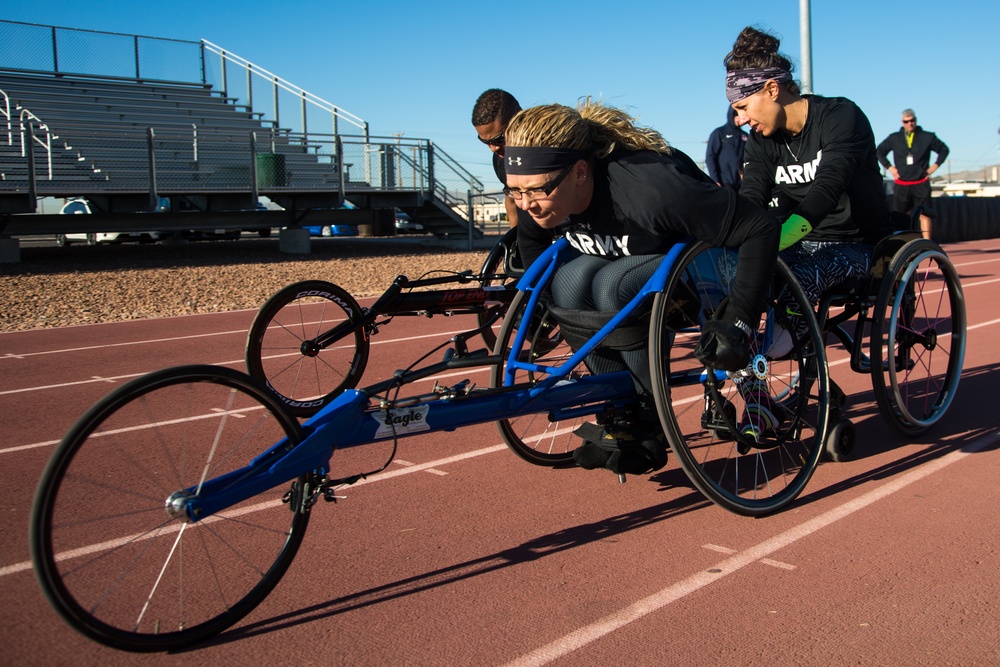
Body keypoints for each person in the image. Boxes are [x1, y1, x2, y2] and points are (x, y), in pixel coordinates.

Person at [503, 99, 779, 475]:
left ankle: (651, 420)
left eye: (534, 191)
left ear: (580, 172)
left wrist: (742, 319)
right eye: (514, 192)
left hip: (709, 266)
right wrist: (544, 310)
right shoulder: (536, 196)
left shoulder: (650, 189)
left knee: (612, 285)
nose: (525, 204)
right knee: (569, 281)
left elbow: (761, 227)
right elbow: (535, 253)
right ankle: (620, 415)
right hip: (641, 271)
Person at [723, 25, 893, 440]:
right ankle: (758, 400)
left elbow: (828, 187)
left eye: (743, 106)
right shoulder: (761, 141)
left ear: (771, 89)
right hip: (798, 241)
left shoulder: (840, 116)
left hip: (855, 242)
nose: (739, 119)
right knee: (723, 277)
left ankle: (784, 349)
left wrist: (771, 243)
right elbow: (751, 196)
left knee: (797, 278)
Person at [876, 109, 949, 239]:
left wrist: (934, 167)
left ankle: (927, 245)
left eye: (912, 120)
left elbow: (944, 150)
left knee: (924, 215)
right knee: (898, 216)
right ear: (902, 122)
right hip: (901, 184)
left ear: (916, 120)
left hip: (921, 183)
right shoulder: (894, 138)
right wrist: (890, 168)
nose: (910, 123)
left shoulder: (927, 136)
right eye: (906, 121)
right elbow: (879, 151)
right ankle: (900, 245)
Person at [471, 88, 522, 227]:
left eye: (499, 139)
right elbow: (511, 197)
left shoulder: (550, 144)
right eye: (486, 142)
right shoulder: (500, 159)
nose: (493, 148)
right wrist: (514, 237)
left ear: (518, 117)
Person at [705, 107, 748, 191]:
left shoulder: (745, 136)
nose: (739, 118)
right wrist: (715, 179)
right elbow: (710, 157)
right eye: (737, 115)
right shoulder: (719, 133)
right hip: (724, 182)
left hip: (741, 183)